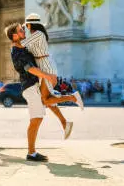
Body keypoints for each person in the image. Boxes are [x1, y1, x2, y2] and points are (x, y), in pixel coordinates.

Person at [6, 22, 83, 162]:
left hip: (35, 85)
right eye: (20, 30)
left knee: (47, 101)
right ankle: (31, 153)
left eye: (23, 29)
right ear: (14, 35)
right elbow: (29, 68)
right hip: (30, 87)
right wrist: (48, 76)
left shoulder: (22, 47)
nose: (24, 31)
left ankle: (66, 116)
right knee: (36, 119)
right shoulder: (16, 51)